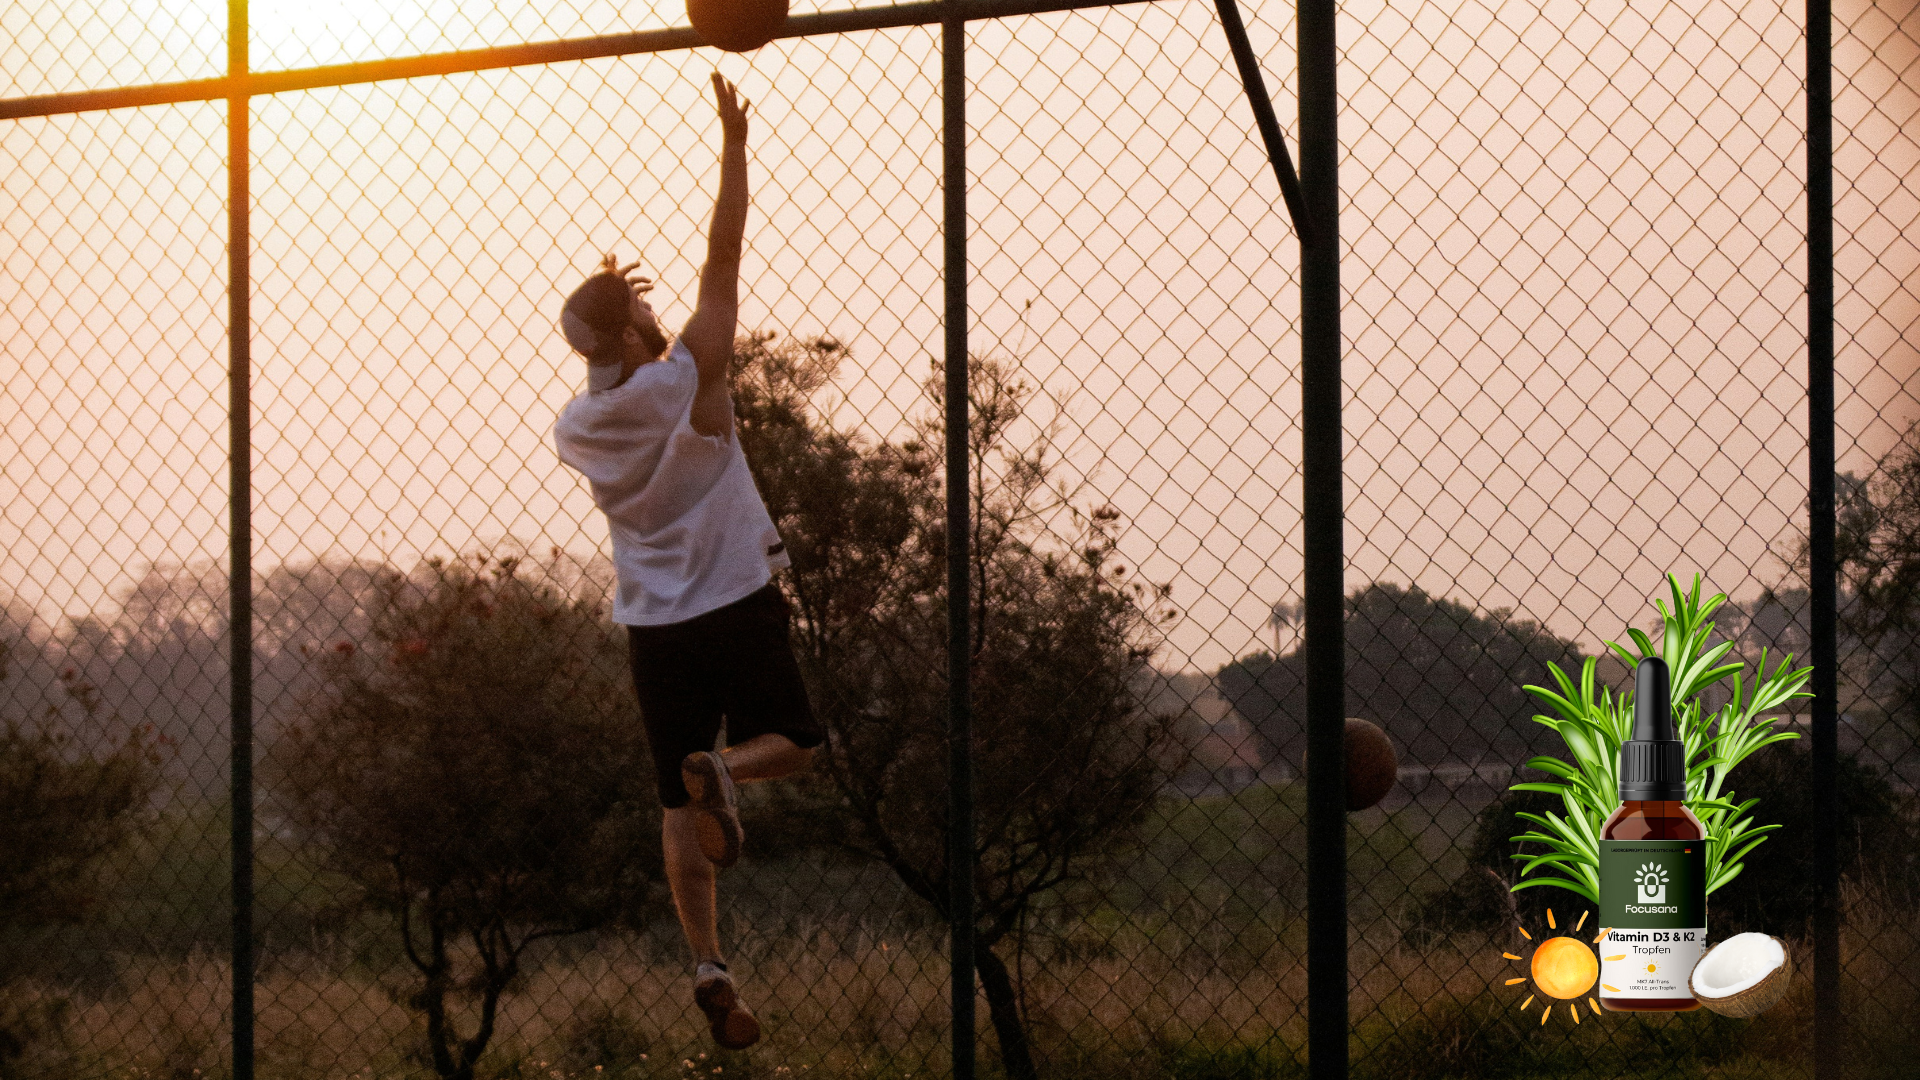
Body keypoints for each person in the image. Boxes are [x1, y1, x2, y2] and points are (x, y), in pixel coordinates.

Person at [551, 73, 820, 1052]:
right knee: (795, 744)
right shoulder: (693, 378)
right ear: (633, 332)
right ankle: (731, 770)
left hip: (652, 624)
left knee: (676, 801)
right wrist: (735, 151)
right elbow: (723, 260)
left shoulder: (580, 425)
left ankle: (708, 963)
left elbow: (640, 331)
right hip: (736, 600)